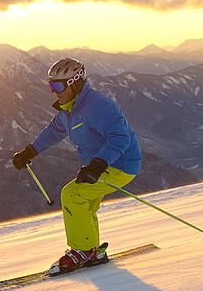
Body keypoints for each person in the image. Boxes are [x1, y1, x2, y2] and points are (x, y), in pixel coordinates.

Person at [11, 58, 142, 273]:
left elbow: (120, 137)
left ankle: (83, 250)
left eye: (58, 86)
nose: (54, 92)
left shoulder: (99, 107)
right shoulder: (68, 109)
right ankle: (91, 250)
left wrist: (98, 165)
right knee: (85, 203)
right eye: (51, 86)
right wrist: (30, 151)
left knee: (72, 195)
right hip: (100, 164)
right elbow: (53, 131)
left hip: (120, 164)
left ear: (74, 83)